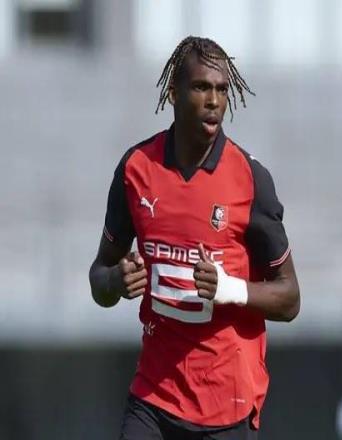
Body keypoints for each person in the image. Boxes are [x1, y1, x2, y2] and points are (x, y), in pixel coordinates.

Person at [89, 36, 300, 440]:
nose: (214, 101)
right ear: (174, 92)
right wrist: (115, 281)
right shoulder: (136, 169)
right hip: (154, 397)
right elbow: (99, 276)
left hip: (226, 406)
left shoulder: (250, 179)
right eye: (202, 87)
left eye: (222, 90)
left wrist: (229, 288)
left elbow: (290, 298)